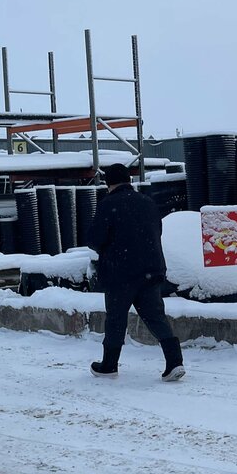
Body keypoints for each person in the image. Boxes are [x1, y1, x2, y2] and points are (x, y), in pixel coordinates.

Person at [86, 162, 185, 381]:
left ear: (109, 183)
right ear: (128, 180)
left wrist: (110, 248)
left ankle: (109, 365)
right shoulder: (147, 202)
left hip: (120, 273)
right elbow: (157, 231)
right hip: (150, 270)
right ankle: (175, 362)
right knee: (156, 317)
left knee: (116, 319)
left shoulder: (108, 204)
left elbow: (94, 239)